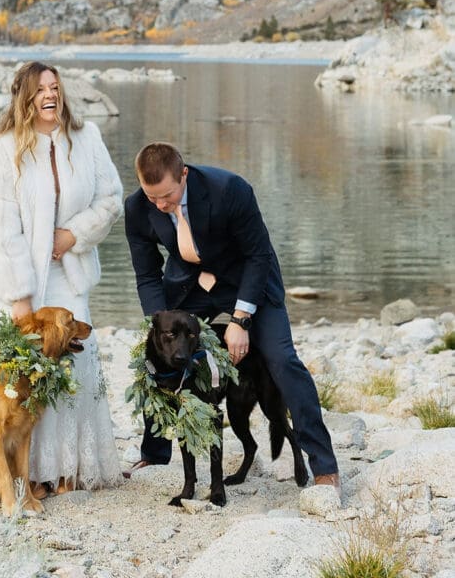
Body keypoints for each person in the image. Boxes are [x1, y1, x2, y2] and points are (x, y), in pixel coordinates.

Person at [124, 141, 340, 489]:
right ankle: (155, 454)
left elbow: (258, 256)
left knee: (282, 360)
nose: (162, 205)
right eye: (153, 199)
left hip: (249, 282)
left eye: (168, 195)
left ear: (184, 174)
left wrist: (240, 320)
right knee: (158, 355)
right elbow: (147, 275)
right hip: (192, 287)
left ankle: (325, 467)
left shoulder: (229, 190)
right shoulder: (136, 208)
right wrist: (157, 322)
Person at [0, 60, 123, 493]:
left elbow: (111, 198)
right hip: (26, 284)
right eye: (40, 90)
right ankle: (31, 474)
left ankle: (71, 468)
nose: (50, 96)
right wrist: (19, 301)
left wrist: (74, 234)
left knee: (78, 367)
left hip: (70, 275)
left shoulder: (86, 138)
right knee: (29, 379)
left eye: (54, 87)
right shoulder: (1, 152)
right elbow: (0, 232)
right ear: (24, 98)